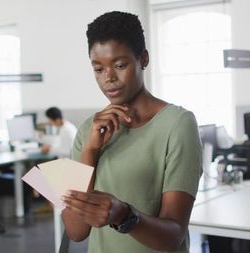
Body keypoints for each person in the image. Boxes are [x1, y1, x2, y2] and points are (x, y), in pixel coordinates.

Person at [61, 11, 203, 253]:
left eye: (120, 65)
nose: (109, 78)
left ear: (143, 59)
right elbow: (76, 232)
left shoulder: (178, 124)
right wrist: (91, 151)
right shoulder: (88, 130)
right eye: (98, 69)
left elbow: (173, 237)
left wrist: (123, 215)